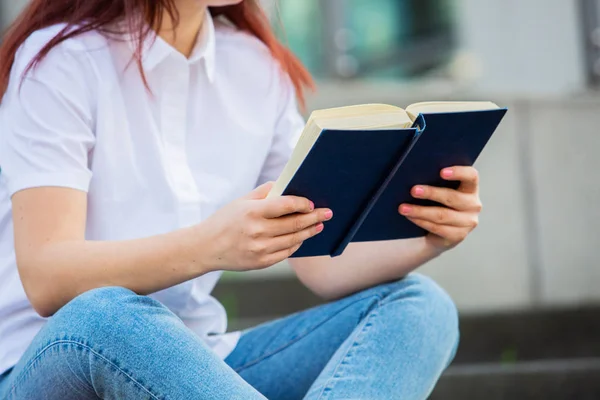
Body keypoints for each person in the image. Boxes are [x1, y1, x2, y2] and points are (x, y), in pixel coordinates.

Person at [0, 0, 483, 399]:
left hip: (202, 366)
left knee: (421, 305)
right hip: (50, 362)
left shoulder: (255, 68)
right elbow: (48, 275)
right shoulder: (61, 61)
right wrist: (210, 245)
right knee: (106, 313)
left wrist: (430, 235)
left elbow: (320, 259)